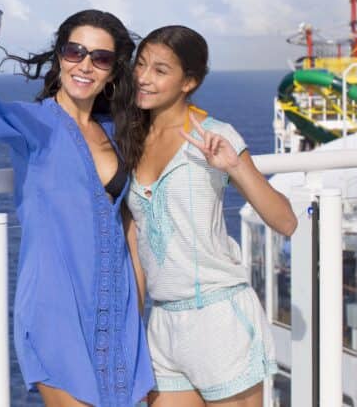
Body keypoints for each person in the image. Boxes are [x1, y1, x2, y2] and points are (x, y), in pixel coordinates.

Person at [0, 8, 155, 407]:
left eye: (100, 58)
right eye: (75, 52)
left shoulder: (117, 132)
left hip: (116, 311)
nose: (85, 65)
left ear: (112, 70)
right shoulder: (33, 123)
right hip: (55, 309)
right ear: (59, 56)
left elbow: (127, 226)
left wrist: (135, 307)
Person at [124, 26, 297, 407]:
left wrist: (234, 167)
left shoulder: (216, 136)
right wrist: (130, 329)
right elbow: (135, 243)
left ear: (189, 82)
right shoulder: (132, 141)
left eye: (160, 70)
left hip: (219, 319)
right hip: (163, 324)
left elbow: (286, 221)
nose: (144, 78)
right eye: (141, 65)